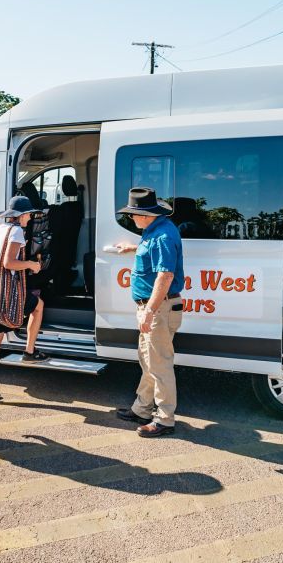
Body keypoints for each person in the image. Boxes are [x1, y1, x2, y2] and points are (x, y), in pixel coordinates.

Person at [113, 187, 185, 438]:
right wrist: (132, 248)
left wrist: (150, 312)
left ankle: (165, 419)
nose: (131, 218)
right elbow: (152, 255)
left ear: (145, 215)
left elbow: (165, 276)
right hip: (155, 308)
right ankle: (142, 409)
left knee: (160, 365)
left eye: (133, 214)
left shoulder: (163, 235)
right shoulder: (153, 231)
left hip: (159, 309)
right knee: (148, 361)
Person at [0, 195, 49, 401]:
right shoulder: (17, 232)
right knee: (38, 306)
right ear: (22, 215)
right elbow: (8, 263)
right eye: (29, 214)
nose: (30, 217)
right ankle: (30, 351)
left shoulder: (0, 230)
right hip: (4, 291)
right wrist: (31, 265)